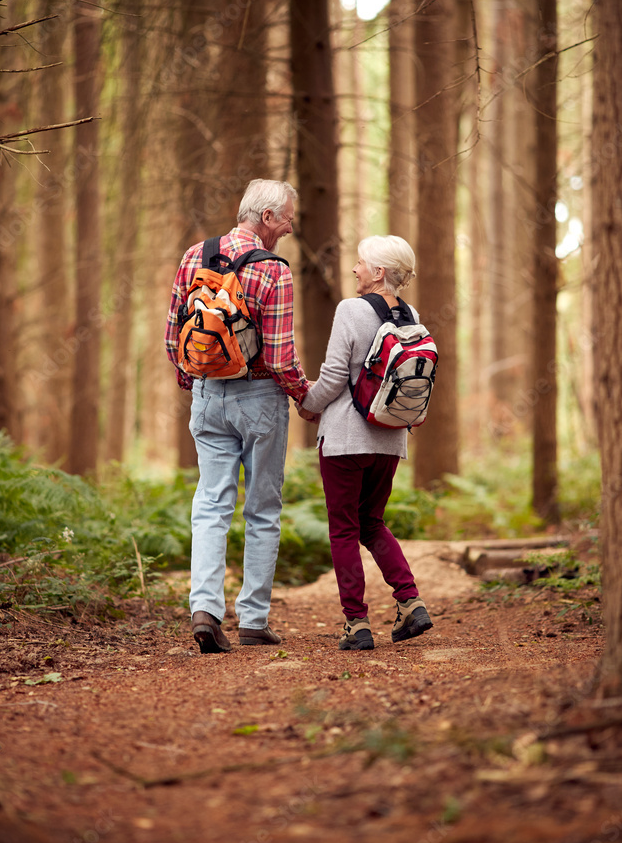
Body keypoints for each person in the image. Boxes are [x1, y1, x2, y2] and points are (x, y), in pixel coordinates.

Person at [165, 179, 315, 654]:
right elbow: (280, 356)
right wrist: (303, 397)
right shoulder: (275, 271)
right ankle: (252, 618)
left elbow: (174, 334)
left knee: (211, 502)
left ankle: (205, 610)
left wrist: (195, 383)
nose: (290, 226)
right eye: (287, 217)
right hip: (260, 399)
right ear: (267, 218)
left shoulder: (195, 255)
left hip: (208, 395)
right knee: (263, 509)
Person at [301, 235, 433, 651]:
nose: (354, 269)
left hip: (344, 438)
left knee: (344, 529)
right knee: (372, 522)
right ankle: (410, 601)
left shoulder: (350, 309)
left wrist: (306, 402)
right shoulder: (412, 315)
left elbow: (335, 375)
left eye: (360, 263)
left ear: (378, 272)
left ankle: (356, 624)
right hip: (390, 439)